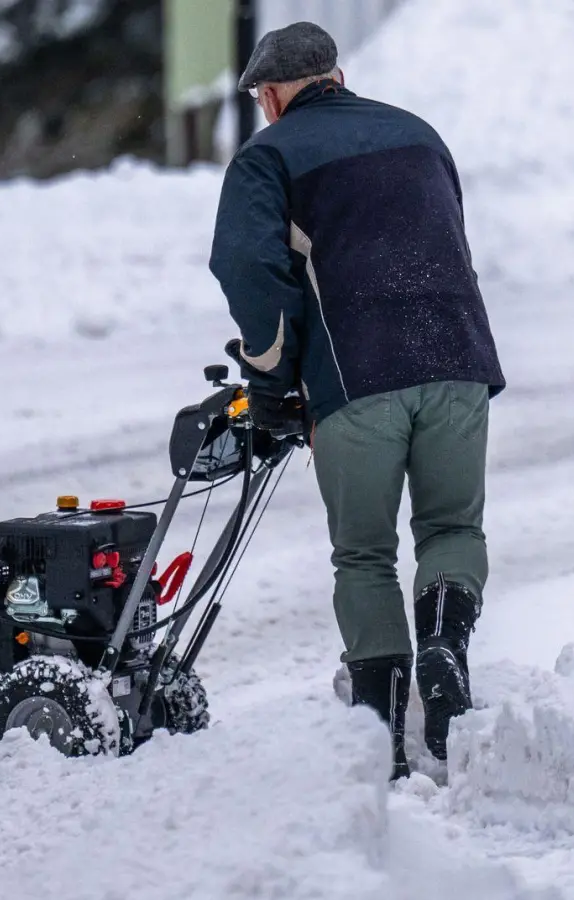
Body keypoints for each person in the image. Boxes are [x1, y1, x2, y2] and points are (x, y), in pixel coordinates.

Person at [208, 22, 504, 780]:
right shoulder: (418, 133)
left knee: (365, 552)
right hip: (459, 359)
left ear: (272, 94)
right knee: (450, 526)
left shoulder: (267, 158)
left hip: (357, 375)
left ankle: (381, 732)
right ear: (335, 75)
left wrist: (273, 382)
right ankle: (443, 646)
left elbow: (249, 269)